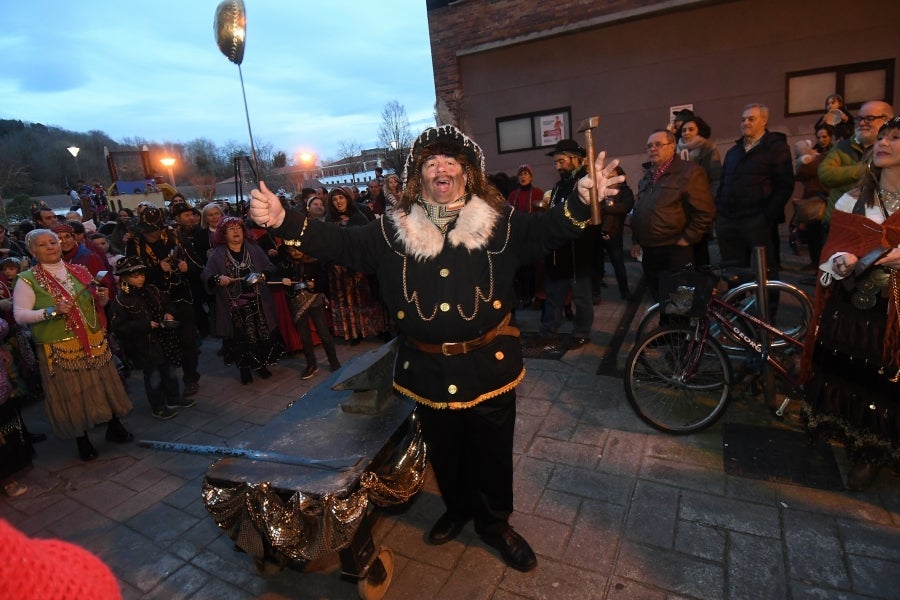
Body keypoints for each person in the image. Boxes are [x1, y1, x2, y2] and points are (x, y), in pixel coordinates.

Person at [248, 124, 625, 573]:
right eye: (430, 163)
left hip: (489, 364)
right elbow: (337, 242)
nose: (440, 168)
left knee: (491, 450)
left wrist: (583, 198)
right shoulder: (390, 231)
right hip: (425, 367)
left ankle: (494, 523)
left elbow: (548, 230)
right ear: (419, 178)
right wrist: (283, 219)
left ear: (466, 173)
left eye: (449, 161)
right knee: (445, 450)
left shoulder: (500, 223)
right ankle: (458, 508)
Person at [800, 116, 900, 491]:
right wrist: (839, 261)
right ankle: (857, 439)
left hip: (894, 308)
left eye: (895, 138)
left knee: (886, 379)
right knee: (851, 371)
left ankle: (875, 452)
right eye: (883, 137)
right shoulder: (854, 198)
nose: (884, 142)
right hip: (853, 303)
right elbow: (834, 246)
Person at [12, 229, 133, 462]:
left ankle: (113, 425)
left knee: (103, 383)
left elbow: (95, 301)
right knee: (72, 393)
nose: (51, 247)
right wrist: (51, 311)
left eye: (53, 242)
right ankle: (82, 438)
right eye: (43, 244)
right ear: (32, 250)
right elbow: (20, 315)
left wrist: (102, 298)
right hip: (60, 345)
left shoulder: (79, 271)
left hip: (93, 339)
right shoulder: (27, 279)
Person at [630, 129, 715, 302]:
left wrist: (687, 239)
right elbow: (639, 210)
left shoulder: (689, 172)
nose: (653, 148)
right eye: (649, 146)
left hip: (674, 251)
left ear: (672, 146)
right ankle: (667, 329)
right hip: (650, 251)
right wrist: (636, 240)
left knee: (679, 303)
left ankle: (681, 330)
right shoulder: (647, 178)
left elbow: (705, 211)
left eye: (658, 144)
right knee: (659, 299)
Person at [125, 207, 201, 397]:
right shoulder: (134, 244)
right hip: (152, 300)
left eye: (155, 229)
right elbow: (131, 275)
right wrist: (157, 269)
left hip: (180, 295)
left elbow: (198, 265)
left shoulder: (176, 237)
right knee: (160, 344)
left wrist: (186, 268)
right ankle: (167, 384)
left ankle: (191, 378)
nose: (151, 233)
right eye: (147, 230)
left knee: (188, 340)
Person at [201, 217, 284, 385]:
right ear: (223, 234)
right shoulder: (218, 254)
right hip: (234, 306)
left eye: (238, 227)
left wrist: (262, 275)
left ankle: (260, 365)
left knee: (261, 334)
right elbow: (206, 275)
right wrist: (218, 279)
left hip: (258, 301)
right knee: (240, 339)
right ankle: (245, 369)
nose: (236, 231)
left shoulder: (253, 248)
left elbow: (269, 267)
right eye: (230, 229)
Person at [109, 256, 194, 420]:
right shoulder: (121, 301)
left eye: (141, 274)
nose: (140, 278)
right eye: (135, 276)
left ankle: (174, 398)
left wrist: (169, 312)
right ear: (125, 277)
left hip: (164, 339)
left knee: (169, 371)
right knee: (153, 376)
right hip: (144, 345)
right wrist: (146, 325)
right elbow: (119, 327)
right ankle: (158, 406)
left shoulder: (152, 290)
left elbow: (167, 303)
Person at [715, 103, 793, 278]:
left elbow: (784, 185)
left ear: (764, 121)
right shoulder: (733, 152)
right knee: (733, 273)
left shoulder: (775, 148)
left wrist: (766, 217)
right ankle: (736, 305)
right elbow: (723, 184)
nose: (746, 123)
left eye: (751, 119)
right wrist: (719, 213)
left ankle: (767, 306)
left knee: (764, 272)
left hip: (757, 221)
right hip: (728, 221)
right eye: (743, 119)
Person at [541, 139, 597, 348]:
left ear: (576, 159)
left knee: (581, 295)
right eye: (556, 162)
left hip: (577, 249)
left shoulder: (585, 182)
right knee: (554, 293)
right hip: (557, 250)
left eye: (561, 161)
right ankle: (548, 329)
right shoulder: (558, 186)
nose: (557, 166)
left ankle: (581, 331)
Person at [324, 187, 389, 345]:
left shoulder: (359, 215)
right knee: (349, 301)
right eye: (335, 199)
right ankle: (355, 331)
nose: (339, 202)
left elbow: (369, 238)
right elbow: (328, 244)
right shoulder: (329, 220)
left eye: (341, 198)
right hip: (341, 269)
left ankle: (378, 329)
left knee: (368, 299)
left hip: (361, 266)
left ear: (347, 199)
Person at [819, 101, 894, 227]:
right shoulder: (842, 147)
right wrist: (866, 170)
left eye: (869, 118)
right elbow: (825, 174)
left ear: (887, 120)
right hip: (840, 224)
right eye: (859, 118)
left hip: (882, 225)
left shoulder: (895, 148)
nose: (862, 123)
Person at [274, 244, 341, 379]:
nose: (296, 252)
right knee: (304, 336)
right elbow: (274, 276)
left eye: (297, 249)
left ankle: (334, 362)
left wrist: (315, 284)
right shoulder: (285, 264)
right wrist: (282, 279)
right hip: (296, 303)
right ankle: (311, 364)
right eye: (292, 250)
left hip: (314, 299)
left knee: (324, 333)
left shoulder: (314, 261)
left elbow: (324, 281)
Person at [677, 115, 721, 267]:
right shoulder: (675, 149)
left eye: (691, 129)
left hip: (699, 205)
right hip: (680, 208)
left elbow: (716, 178)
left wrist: (710, 202)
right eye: (683, 130)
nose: (686, 133)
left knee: (700, 248)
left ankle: (704, 283)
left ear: (699, 131)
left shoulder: (708, 148)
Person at [506, 164, 544, 307]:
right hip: (518, 236)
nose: (523, 176)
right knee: (522, 268)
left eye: (526, 174)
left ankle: (538, 296)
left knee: (535, 267)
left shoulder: (538, 193)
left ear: (531, 176)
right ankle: (525, 296)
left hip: (533, 235)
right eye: (520, 174)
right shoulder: (512, 195)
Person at [596, 165, 635, 301]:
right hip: (597, 232)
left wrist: (605, 209)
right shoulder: (601, 191)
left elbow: (625, 207)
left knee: (618, 263)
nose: (610, 179)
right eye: (609, 177)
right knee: (596, 264)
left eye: (613, 176)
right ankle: (596, 293)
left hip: (614, 234)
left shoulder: (626, 192)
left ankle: (625, 292)